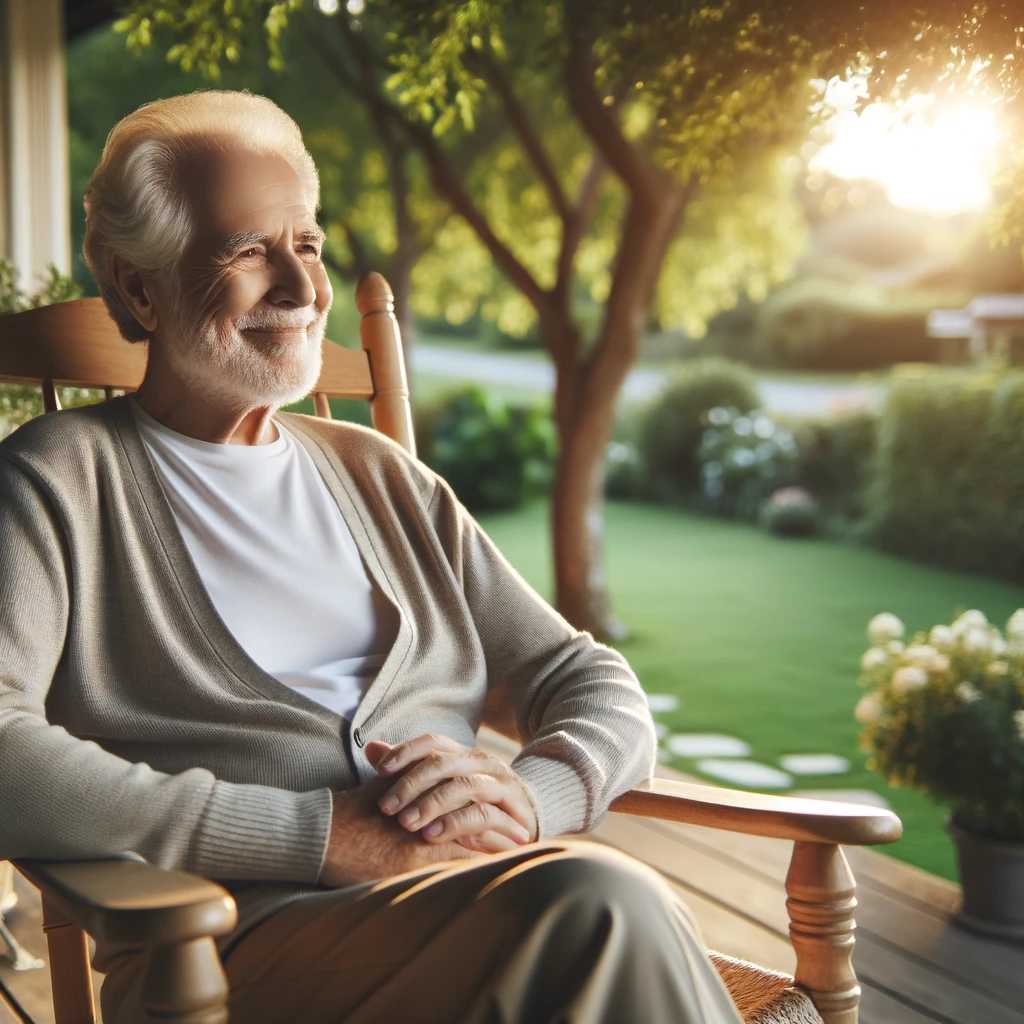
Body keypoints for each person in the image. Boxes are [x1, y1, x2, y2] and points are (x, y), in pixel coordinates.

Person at [0, 91, 742, 1023]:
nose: (304, 290)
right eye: (246, 250)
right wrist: (313, 837)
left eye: (306, 245)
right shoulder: (55, 483)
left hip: (490, 910)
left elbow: (583, 676)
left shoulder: (381, 476)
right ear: (137, 287)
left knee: (598, 912)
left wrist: (532, 796)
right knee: (606, 908)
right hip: (232, 950)